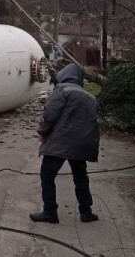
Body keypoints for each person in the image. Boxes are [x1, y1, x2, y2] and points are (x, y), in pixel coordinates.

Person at [30, 63, 101, 224]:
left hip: (62, 142)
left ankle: (49, 212)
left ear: (63, 75)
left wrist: (42, 132)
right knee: (81, 176)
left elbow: (50, 113)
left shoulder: (62, 90)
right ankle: (86, 212)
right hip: (83, 143)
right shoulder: (90, 97)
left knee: (47, 175)